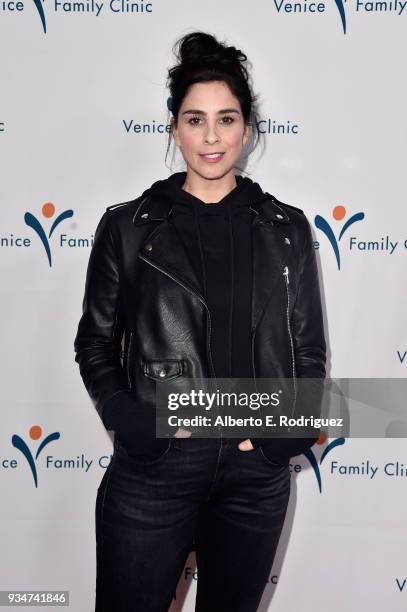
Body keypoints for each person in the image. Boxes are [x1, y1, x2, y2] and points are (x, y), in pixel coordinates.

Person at [74, 30, 326, 612]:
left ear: (247, 126)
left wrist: (283, 434)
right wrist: (129, 419)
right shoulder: (128, 228)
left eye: (226, 118)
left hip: (255, 473)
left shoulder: (287, 230)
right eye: (194, 119)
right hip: (156, 468)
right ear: (174, 127)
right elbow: (95, 343)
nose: (211, 137)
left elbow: (308, 351)